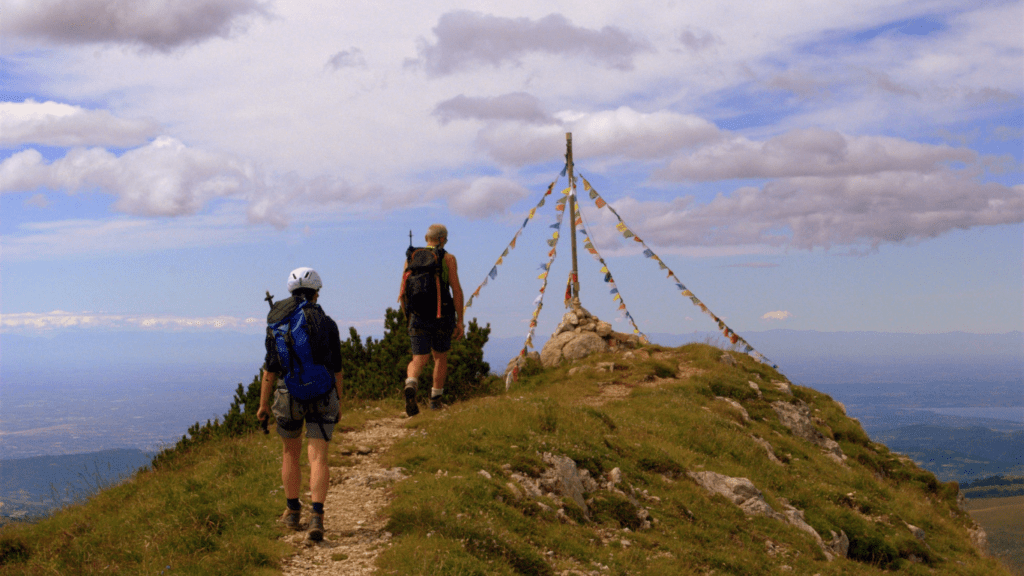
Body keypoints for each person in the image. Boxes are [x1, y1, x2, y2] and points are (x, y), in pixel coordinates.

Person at [257, 267, 343, 542]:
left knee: (290, 454)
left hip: (288, 394)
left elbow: (270, 370)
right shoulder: (327, 323)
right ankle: (317, 516)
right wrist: (339, 401)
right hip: (322, 393)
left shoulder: (278, 324)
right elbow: (337, 369)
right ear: (316, 293)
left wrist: (263, 405)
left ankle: (293, 511)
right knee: (318, 456)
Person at [401, 224, 464, 416]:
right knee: (440, 356)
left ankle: (411, 382)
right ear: (442, 239)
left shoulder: (411, 258)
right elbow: (456, 290)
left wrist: (408, 317)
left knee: (418, 358)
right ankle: (435, 400)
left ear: (427, 238)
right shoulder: (448, 258)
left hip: (417, 315)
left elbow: (402, 292)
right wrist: (460, 319)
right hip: (441, 314)